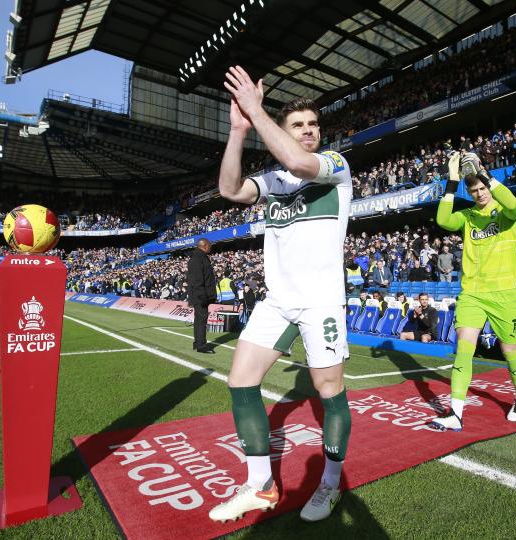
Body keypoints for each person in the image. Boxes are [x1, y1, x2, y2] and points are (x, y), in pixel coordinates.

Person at [211, 66, 352, 523]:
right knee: (241, 382)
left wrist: (256, 109)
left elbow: (299, 163)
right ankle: (261, 486)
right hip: (278, 300)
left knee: (329, 390)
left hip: (321, 301)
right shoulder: (272, 182)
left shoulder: (334, 166)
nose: (309, 131)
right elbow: (229, 188)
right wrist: (238, 130)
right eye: (299, 125)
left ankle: (330, 484)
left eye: (313, 125)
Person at [430, 150, 516, 432]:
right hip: (472, 293)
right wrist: (451, 180)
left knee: (510, 351)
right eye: (474, 190)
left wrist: (483, 171)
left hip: (504, 293)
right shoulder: (468, 216)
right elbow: (443, 220)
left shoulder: (506, 214)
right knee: (463, 348)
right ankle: (455, 413)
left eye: (482, 188)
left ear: (488, 185)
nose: (479, 193)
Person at [186, 238, 216, 353]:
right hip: (200, 295)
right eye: (209, 245)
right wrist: (203, 296)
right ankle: (201, 345)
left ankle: (197, 343)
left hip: (199, 294)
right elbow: (198, 280)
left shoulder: (199, 257)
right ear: (204, 245)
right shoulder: (198, 258)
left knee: (199, 320)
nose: (210, 247)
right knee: (201, 320)